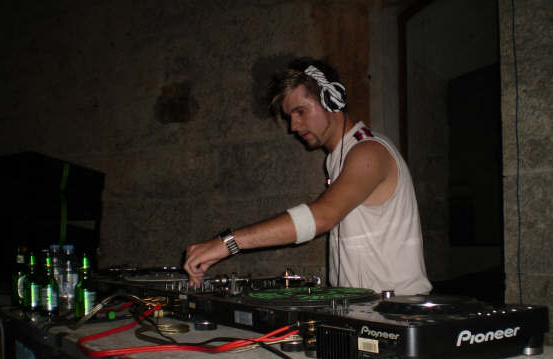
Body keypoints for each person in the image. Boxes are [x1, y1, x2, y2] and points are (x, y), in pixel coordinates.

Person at [184, 58, 431, 295]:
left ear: (332, 99)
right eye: (290, 116)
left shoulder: (369, 152)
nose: (293, 126)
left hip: (394, 312)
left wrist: (228, 243)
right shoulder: (340, 158)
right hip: (365, 312)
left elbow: (323, 216)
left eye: (300, 111)